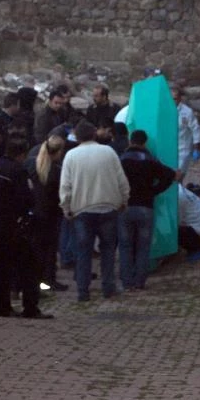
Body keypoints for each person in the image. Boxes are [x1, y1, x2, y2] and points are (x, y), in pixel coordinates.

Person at [59, 120, 130, 301]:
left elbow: (65, 186)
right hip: (108, 207)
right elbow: (122, 180)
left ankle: (83, 290)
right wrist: (123, 200)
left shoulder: (71, 156)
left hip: (82, 210)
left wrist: (66, 207)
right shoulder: (109, 152)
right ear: (94, 134)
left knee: (83, 252)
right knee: (107, 251)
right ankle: (108, 287)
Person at [0, 137, 53, 319]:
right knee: (28, 267)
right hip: (14, 226)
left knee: (0, 268)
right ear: (22, 154)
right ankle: (30, 307)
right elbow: (26, 198)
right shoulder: (18, 170)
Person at [118, 130, 176, 291]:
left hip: (125, 207)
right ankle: (139, 282)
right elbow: (169, 175)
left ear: (130, 141)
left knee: (125, 246)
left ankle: (126, 281)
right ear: (144, 143)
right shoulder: (150, 160)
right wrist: (154, 191)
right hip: (145, 207)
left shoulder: (122, 160)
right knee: (143, 247)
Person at [26, 134, 68, 292]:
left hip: (35, 212)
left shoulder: (31, 164)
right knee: (50, 249)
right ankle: (48, 279)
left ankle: (35, 280)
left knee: (36, 248)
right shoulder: (56, 170)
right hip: (51, 214)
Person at [171, 85, 200, 181]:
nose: (173, 101)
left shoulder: (187, 112)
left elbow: (195, 129)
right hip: (169, 149)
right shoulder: (165, 110)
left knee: (178, 177)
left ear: (180, 98)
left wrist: (196, 148)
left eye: (175, 99)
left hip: (183, 150)